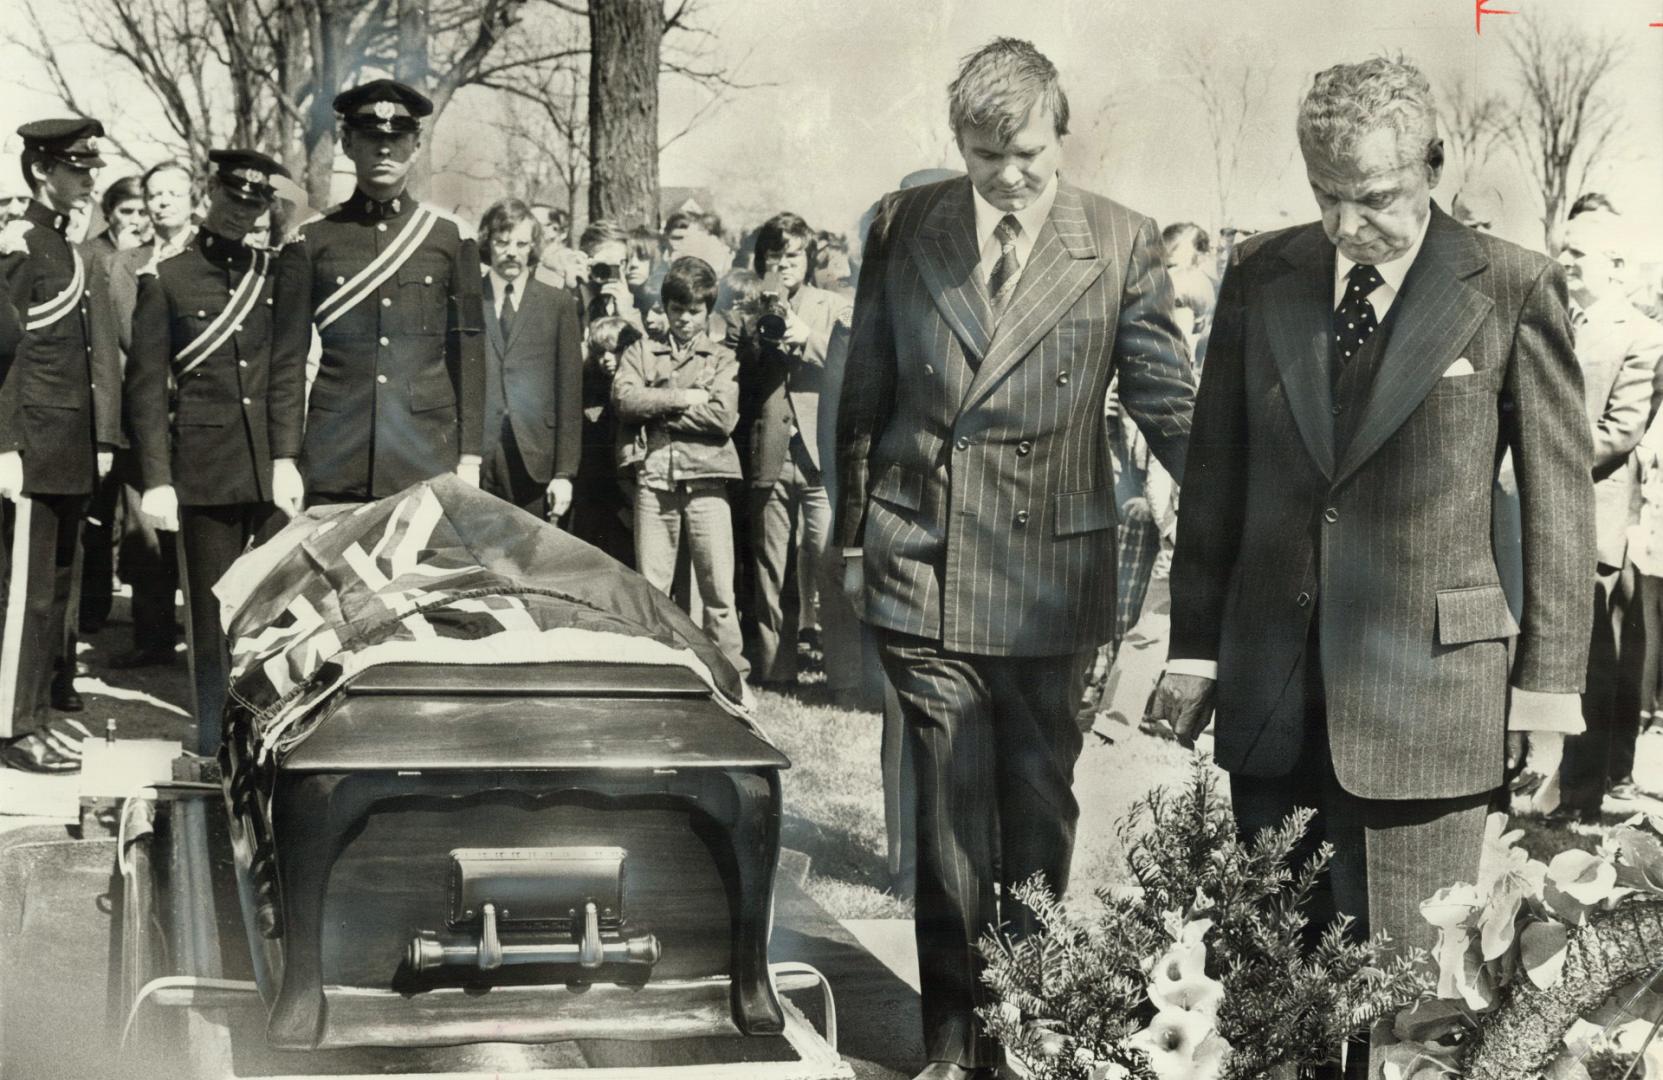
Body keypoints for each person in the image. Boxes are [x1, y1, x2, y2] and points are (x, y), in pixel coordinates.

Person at [1149, 57, 1594, 1077]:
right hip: (1276, 697)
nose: (1350, 226)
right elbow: (1215, 479)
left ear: (1430, 167)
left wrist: (1548, 696)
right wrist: (1193, 653)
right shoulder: (1262, 276)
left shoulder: (1510, 286)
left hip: (1431, 705)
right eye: (1328, 197)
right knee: (1275, 999)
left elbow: (1562, 511)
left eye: (1378, 200)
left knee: (1411, 1007)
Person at [834, 39, 1194, 1080]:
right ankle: (950, 1037)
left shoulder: (1120, 243)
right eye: (985, 154)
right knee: (950, 806)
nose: (1008, 175)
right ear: (959, 145)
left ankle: (1020, 1030)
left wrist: (1238, 512)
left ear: (1061, 132)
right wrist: (855, 535)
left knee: (1037, 809)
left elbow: (1169, 406)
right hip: (923, 556)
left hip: (1050, 578)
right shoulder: (907, 227)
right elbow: (868, 389)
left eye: (1026, 152)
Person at [127, 150, 296, 756]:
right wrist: (156, 479)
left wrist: (287, 459)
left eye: (253, 204)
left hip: (269, 474)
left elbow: (281, 375)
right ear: (211, 195)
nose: (240, 213)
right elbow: (146, 388)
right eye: (232, 199)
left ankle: (271, 736)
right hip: (201, 471)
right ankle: (210, 740)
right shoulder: (167, 279)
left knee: (274, 616)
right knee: (209, 620)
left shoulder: (273, 275)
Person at [270, 79, 485, 507]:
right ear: (348, 144)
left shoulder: (450, 238)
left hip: (425, 454)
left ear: (417, 146)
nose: (384, 150)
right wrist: (284, 460)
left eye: (397, 138)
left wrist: (471, 457)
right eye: (370, 137)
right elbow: (288, 359)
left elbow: (470, 354)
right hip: (335, 456)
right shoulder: (310, 240)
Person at [0, 118, 121, 774]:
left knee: (54, 593)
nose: (88, 177)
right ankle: (13, 728)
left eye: (91, 165)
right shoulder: (19, 242)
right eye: (77, 165)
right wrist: (5, 445)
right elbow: (5, 353)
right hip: (34, 448)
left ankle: (36, 714)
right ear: (43, 168)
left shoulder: (60, 244)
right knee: (26, 596)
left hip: (65, 448)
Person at [1552, 210, 1663, 822]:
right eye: (1563, 252)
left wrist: (1543, 460)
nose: (1564, 262)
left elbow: (1620, 432)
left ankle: (1582, 794)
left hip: (1593, 516)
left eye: (1579, 254)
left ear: (1617, 265)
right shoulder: (1559, 319)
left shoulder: (1642, 334)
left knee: (1593, 663)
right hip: (1536, 513)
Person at [612, 256, 748, 679]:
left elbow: (723, 417)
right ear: (665, 309)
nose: (685, 320)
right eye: (677, 310)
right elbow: (624, 401)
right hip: (654, 480)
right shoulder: (641, 350)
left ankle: (732, 676)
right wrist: (686, 398)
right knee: (652, 588)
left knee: (718, 590)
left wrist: (657, 406)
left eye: (694, 311)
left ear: (708, 311)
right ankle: (658, 671)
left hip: (708, 482)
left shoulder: (723, 357)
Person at [741, 212, 854, 685]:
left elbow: (850, 367)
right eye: (774, 256)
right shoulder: (749, 307)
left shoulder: (833, 305)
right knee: (771, 566)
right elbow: (743, 373)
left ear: (807, 260)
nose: (784, 264)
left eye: (792, 256)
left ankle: (843, 673)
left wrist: (805, 336)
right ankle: (774, 669)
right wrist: (761, 323)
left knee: (829, 560)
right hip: (771, 448)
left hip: (820, 452)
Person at [102, 160, 200, 670]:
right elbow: (116, 342)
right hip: (141, 420)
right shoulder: (123, 265)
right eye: (154, 194)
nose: (162, 203)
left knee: (199, 532)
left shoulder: (209, 258)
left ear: (192, 199)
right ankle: (153, 636)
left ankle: (205, 641)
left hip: (200, 418)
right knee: (144, 532)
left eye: (172, 194)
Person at [476, 197, 583, 519]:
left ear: (534, 246)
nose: (511, 252)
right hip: (478, 456)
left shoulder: (558, 304)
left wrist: (564, 473)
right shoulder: (465, 299)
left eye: (522, 243)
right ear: (488, 243)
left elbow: (569, 392)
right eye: (502, 242)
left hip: (536, 455)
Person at [567, 220, 642, 565]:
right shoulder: (569, 300)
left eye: (617, 266)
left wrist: (628, 310)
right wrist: (580, 296)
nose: (607, 274)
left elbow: (650, 370)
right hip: (584, 439)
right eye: (600, 265)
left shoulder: (640, 303)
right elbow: (568, 367)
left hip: (625, 440)